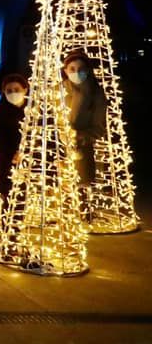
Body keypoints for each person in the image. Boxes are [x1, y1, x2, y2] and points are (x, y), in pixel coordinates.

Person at [61, 49, 107, 221]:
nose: (76, 72)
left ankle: (84, 212)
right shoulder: (58, 91)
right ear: (65, 70)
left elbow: (99, 126)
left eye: (80, 69)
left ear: (87, 70)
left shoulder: (95, 93)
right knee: (61, 181)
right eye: (72, 69)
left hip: (82, 145)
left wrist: (79, 136)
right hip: (58, 145)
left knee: (82, 180)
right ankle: (63, 214)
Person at [0, 73, 29, 230]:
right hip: (9, 163)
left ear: (25, 90)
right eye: (9, 90)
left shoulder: (32, 111)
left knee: (23, 199)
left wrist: (26, 152)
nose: (13, 93)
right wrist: (13, 154)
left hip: (29, 162)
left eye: (16, 89)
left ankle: (19, 234)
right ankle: (9, 236)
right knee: (9, 198)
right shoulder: (1, 113)